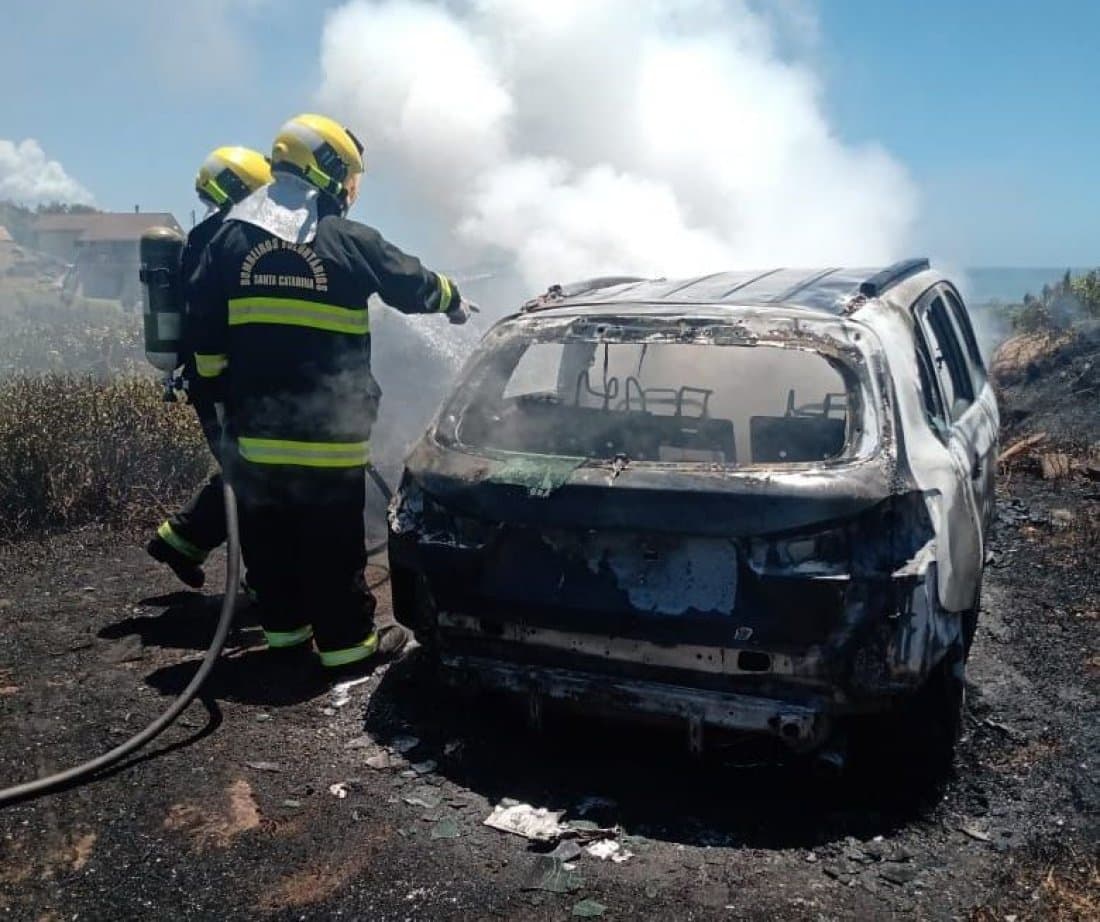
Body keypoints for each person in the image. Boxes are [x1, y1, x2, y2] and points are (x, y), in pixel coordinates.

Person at [189, 113, 473, 677]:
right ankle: (347, 647)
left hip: (256, 438)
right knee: (331, 544)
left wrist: (220, 391)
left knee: (269, 542)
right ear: (327, 169)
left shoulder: (228, 239)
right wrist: (452, 298)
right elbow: (409, 280)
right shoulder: (346, 239)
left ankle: (285, 638)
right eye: (348, 176)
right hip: (329, 440)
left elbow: (203, 326)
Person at [146, 147, 273, 588]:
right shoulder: (220, 239)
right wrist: (220, 382)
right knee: (253, 478)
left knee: (249, 469)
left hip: (218, 380)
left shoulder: (212, 235)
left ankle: (180, 540)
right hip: (219, 382)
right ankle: (264, 584)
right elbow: (209, 320)